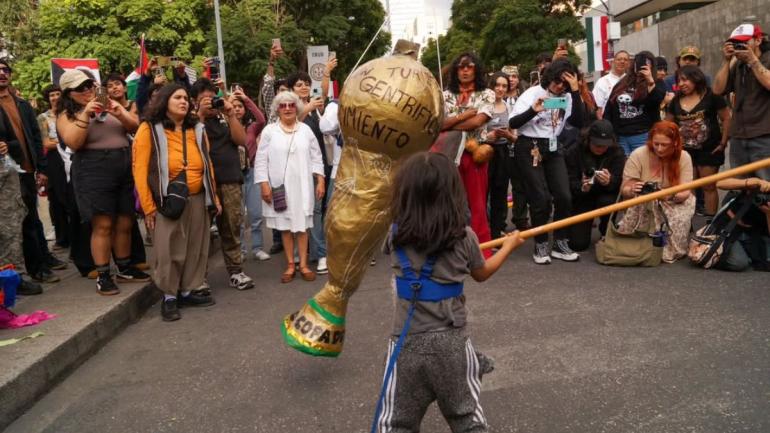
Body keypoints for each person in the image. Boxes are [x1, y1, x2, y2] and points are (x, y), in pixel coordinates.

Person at [373, 151, 524, 433]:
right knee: (467, 420)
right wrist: (509, 245)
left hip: (405, 344)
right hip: (452, 344)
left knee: (395, 423)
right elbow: (482, 273)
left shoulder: (394, 235)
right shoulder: (464, 236)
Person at [56, 69, 149, 295]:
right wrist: (86, 114)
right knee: (103, 224)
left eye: (89, 85)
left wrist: (118, 111)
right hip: (92, 169)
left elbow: (136, 128)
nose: (88, 90)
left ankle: (125, 268)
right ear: (69, 93)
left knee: (125, 221)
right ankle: (103, 274)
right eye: (81, 88)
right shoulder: (67, 115)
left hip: (123, 165)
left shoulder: (110, 108)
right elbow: (74, 143)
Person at [133, 84, 220, 321]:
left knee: (195, 247)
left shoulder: (197, 129)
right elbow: (139, 169)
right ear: (164, 101)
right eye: (177, 97)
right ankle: (169, 297)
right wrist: (149, 206)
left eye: (185, 98)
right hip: (167, 199)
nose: (184, 101)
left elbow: (207, 163)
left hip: (198, 197)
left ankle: (187, 291)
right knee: (168, 249)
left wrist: (215, 197)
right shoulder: (148, 129)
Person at [509, 58, 585, 264]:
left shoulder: (567, 97)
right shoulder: (532, 93)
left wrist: (576, 91)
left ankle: (560, 241)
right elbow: (513, 122)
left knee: (564, 195)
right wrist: (533, 110)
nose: (559, 86)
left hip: (552, 146)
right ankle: (541, 243)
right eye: (557, 81)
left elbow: (579, 121)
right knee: (540, 197)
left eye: (565, 84)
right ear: (549, 77)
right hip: (529, 146)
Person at [0, 58, 67, 285]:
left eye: (5, 70)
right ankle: (33, 269)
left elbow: (36, 139)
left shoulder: (22, 105)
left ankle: (42, 260)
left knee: (33, 218)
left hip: (28, 171)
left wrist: (41, 167)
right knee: (23, 222)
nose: (2, 73)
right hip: (8, 174)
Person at [190, 78, 254, 290]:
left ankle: (236, 271)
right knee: (200, 231)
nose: (210, 103)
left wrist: (230, 113)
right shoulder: (189, 122)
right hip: (202, 183)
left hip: (229, 179)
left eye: (212, 98)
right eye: (203, 99)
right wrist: (199, 114)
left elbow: (241, 140)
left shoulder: (225, 119)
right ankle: (199, 277)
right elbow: (190, 143)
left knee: (232, 226)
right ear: (194, 101)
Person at [254, 91, 324, 283]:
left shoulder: (305, 130)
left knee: (302, 227)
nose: (287, 108)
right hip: (279, 188)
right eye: (283, 105)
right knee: (285, 227)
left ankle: (303, 265)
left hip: (302, 186)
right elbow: (260, 160)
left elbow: (317, 156)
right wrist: (264, 185)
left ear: (296, 108)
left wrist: (321, 180)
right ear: (277, 109)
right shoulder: (269, 131)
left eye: (291, 105)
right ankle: (290, 265)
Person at [441, 52, 495, 258]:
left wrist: (450, 123)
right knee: (450, 204)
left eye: (469, 66)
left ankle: (482, 252)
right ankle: (452, 251)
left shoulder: (487, 94)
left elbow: (477, 123)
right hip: (448, 154)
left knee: (478, 205)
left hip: (474, 155)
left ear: (476, 69)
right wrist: (465, 115)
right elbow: (438, 125)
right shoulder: (445, 95)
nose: (464, 70)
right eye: (460, 67)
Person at [619, 121, 695, 263]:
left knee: (677, 218)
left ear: (675, 143)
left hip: (672, 200)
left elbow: (685, 192)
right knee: (643, 211)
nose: (659, 149)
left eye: (664, 145)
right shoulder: (638, 154)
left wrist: (668, 195)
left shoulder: (684, 157)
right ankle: (641, 246)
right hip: (644, 200)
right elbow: (625, 189)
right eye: (656, 144)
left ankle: (667, 248)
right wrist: (633, 189)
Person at [666, 65, 731, 216]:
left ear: (696, 78)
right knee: (688, 187)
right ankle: (689, 222)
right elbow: (667, 126)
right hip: (685, 152)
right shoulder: (675, 101)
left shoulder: (712, 95)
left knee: (708, 186)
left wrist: (723, 142)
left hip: (710, 149)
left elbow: (726, 118)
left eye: (685, 79)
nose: (681, 84)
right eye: (679, 80)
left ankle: (710, 224)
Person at [713, 23, 770, 181]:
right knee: (740, 187)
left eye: (744, 42)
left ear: (758, 41)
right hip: (739, 136)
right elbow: (717, 90)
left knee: (766, 187)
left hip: (764, 136)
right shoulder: (737, 65)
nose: (740, 46)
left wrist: (753, 61)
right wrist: (726, 61)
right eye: (736, 43)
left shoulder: (767, 58)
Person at [287, 71, 329, 273]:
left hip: (319, 165)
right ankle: (307, 255)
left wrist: (317, 109)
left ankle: (318, 253)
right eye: (298, 84)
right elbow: (291, 125)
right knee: (302, 211)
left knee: (319, 210)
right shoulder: (289, 109)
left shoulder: (316, 108)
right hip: (297, 168)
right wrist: (307, 108)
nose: (303, 87)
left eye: (306, 84)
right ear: (291, 89)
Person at [0, 103, 43, 295]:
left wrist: (6, 145)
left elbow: (17, 142)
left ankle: (13, 278)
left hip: (6, 177)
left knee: (11, 230)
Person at [564, 120, 626, 251]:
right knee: (577, 244)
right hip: (583, 197)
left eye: (604, 145)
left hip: (606, 195)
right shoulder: (575, 151)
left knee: (609, 201)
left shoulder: (617, 151)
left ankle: (606, 230)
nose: (600, 148)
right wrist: (582, 187)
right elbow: (568, 181)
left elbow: (621, 182)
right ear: (588, 139)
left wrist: (610, 181)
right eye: (596, 144)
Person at [231, 86, 269, 261]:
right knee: (238, 216)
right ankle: (242, 251)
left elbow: (262, 119)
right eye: (234, 106)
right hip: (234, 174)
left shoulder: (252, 128)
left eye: (240, 106)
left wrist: (246, 98)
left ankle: (257, 248)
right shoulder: (227, 125)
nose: (237, 109)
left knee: (255, 213)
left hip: (252, 172)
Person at [605, 51, 667, 156]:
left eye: (646, 64)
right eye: (639, 63)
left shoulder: (657, 82)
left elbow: (656, 101)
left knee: (643, 168)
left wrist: (650, 81)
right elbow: (610, 107)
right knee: (626, 169)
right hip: (621, 136)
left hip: (642, 134)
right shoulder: (622, 83)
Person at [484, 72, 518, 240]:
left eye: (504, 86)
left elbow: (514, 135)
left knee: (500, 193)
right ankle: (482, 232)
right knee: (482, 194)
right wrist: (488, 136)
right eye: (497, 85)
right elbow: (474, 133)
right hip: (484, 153)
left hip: (503, 152)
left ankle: (496, 232)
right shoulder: (483, 105)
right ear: (491, 86)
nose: (500, 89)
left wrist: (508, 136)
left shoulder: (508, 106)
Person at [37, 84, 70, 250]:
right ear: (47, 99)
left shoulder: (69, 113)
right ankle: (62, 237)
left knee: (70, 195)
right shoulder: (43, 118)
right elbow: (46, 143)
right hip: (54, 160)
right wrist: (65, 140)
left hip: (70, 156)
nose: (55, 97)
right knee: (57, 198)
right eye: (52, 95)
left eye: (58, 94)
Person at [713, 176, 770, 271]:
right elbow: (720, 182)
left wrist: (768, 213)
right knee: (738, 263)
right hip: (733, 224)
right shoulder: (755, 163)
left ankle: (749, 250)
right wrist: (750, 183)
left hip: (760, 229)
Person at [592, 50, 630, 119]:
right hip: (609, 122)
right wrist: (603, 126)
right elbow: (598, 108)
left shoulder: (631, 81)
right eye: (619, 59)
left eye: (625, 60)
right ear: (613, 62)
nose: (622, 62)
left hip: (628, 121)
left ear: (629, 63)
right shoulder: (602, 81)